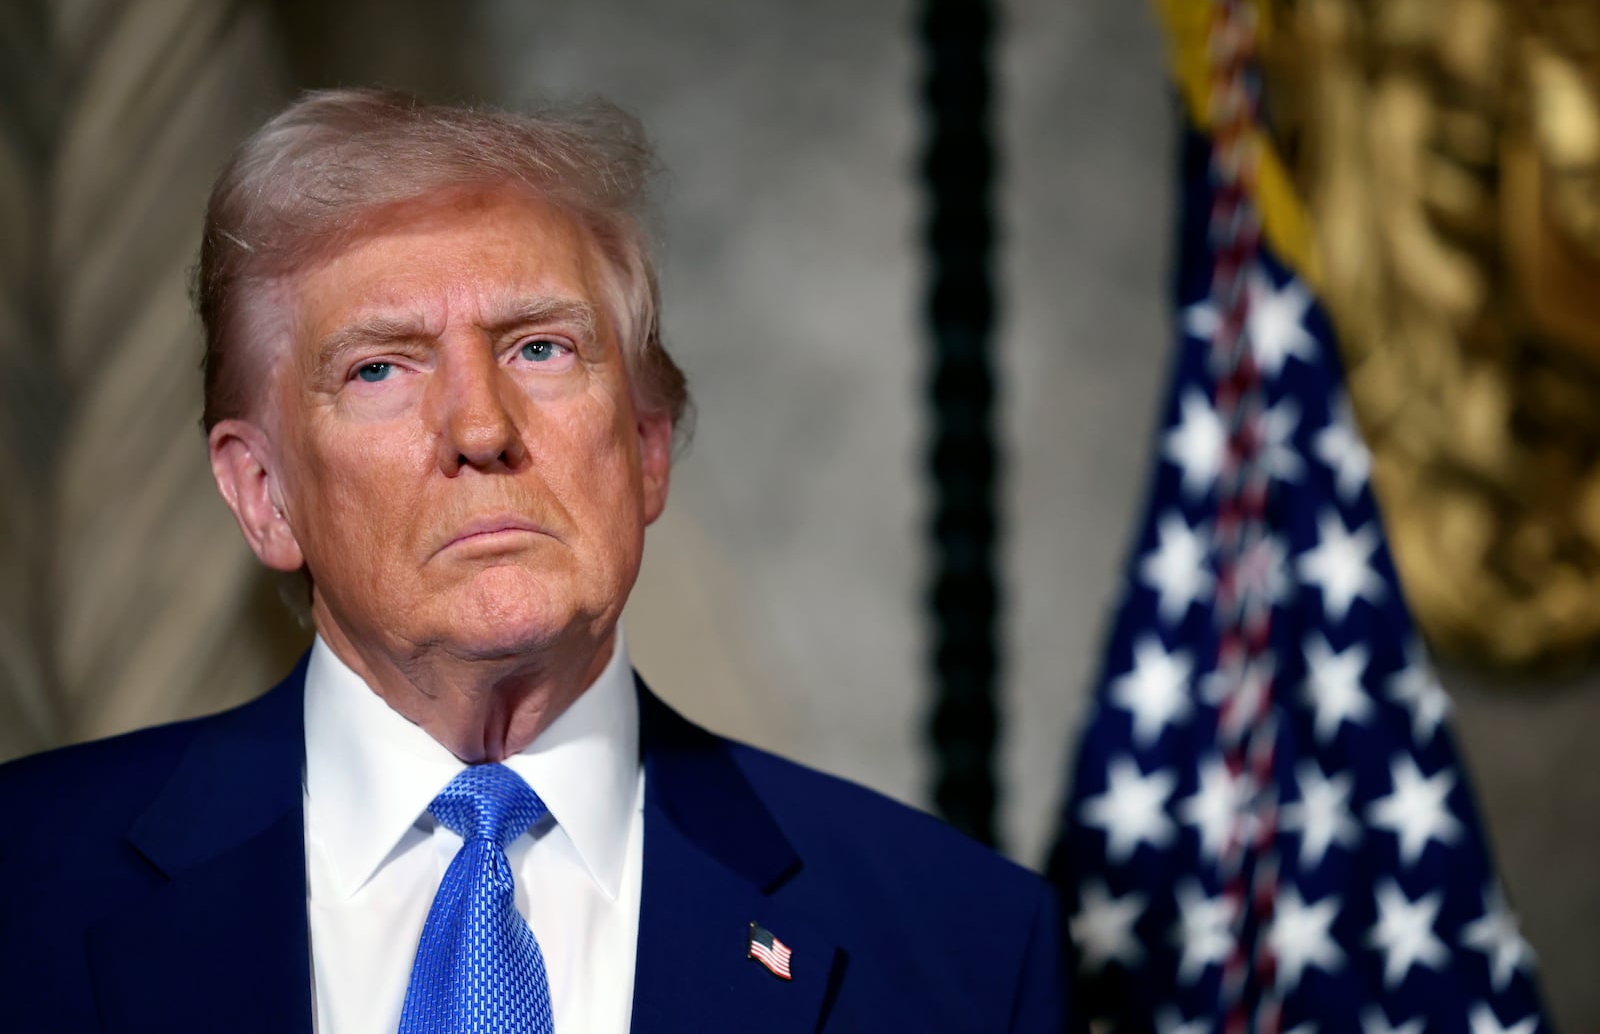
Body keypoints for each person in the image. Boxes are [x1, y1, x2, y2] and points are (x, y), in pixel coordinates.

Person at [0, 88, 1066, 1033]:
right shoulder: (24, 880)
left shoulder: (959, 946)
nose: (479, 425)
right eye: (379, 368)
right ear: (265, 495)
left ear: (647, 447)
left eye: (539, 348)